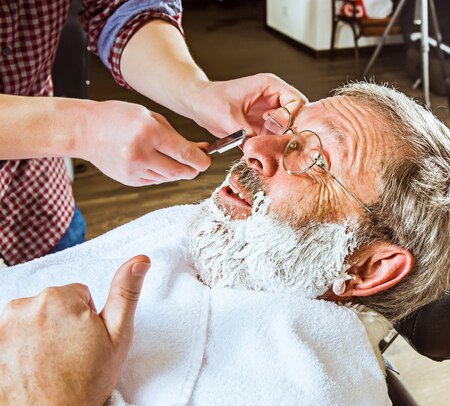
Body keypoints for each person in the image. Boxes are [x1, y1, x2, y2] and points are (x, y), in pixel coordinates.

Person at [0, 82, 450, 406]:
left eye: (315, 160)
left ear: (367, 266)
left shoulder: (306, 399)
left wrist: (49, 404)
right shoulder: (221, 239)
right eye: (287, 133)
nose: (255, 148)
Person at [0, 0, 307, 266]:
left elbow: (120, 8)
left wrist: (194, 91)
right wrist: (78, 128)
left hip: (37, 204)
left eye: (317, 160)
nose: (256, 153)